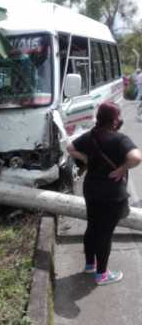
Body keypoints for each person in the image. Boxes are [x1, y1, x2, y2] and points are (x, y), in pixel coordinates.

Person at [67, 102, 142, 286]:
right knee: (105, 234)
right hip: (111, 195)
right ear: (115, 120)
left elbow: (69, 147)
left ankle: (90, 265)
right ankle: (102, 275)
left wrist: (85, 158)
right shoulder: (120, 139)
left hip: (91, 190)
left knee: (92, 227)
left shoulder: (90, 136)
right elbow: (136, 157)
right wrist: (121, 169)